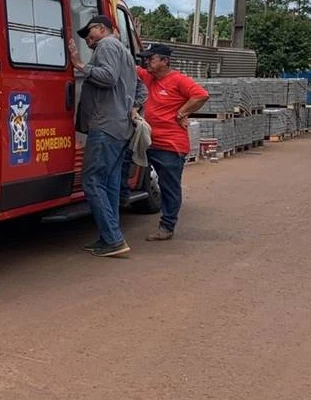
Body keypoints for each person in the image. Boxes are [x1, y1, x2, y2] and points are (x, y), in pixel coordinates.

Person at [69, 15, 147, 258]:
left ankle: (113, 239)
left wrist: (80, 65)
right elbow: (141, 88)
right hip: (119, 126)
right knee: (110, 183)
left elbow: (108, 77)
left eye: (89, 33)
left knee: (92, 181)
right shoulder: (124, 51)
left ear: (102, 29)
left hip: (105, 126)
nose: (88, 39)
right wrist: (133, 107)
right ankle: (109, 237)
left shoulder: (107, 45)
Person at [135, 44, 209, 241]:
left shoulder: (178, 80)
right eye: (146, 59)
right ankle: (125, 196)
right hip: (149, 141)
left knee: (169, 186)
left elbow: (201, 95)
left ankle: (167, 226)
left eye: (151, 58)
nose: (147, 62)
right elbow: (128, 67)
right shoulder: (148, 77)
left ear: (165, 61)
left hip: (170, 145)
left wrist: (182, 112)